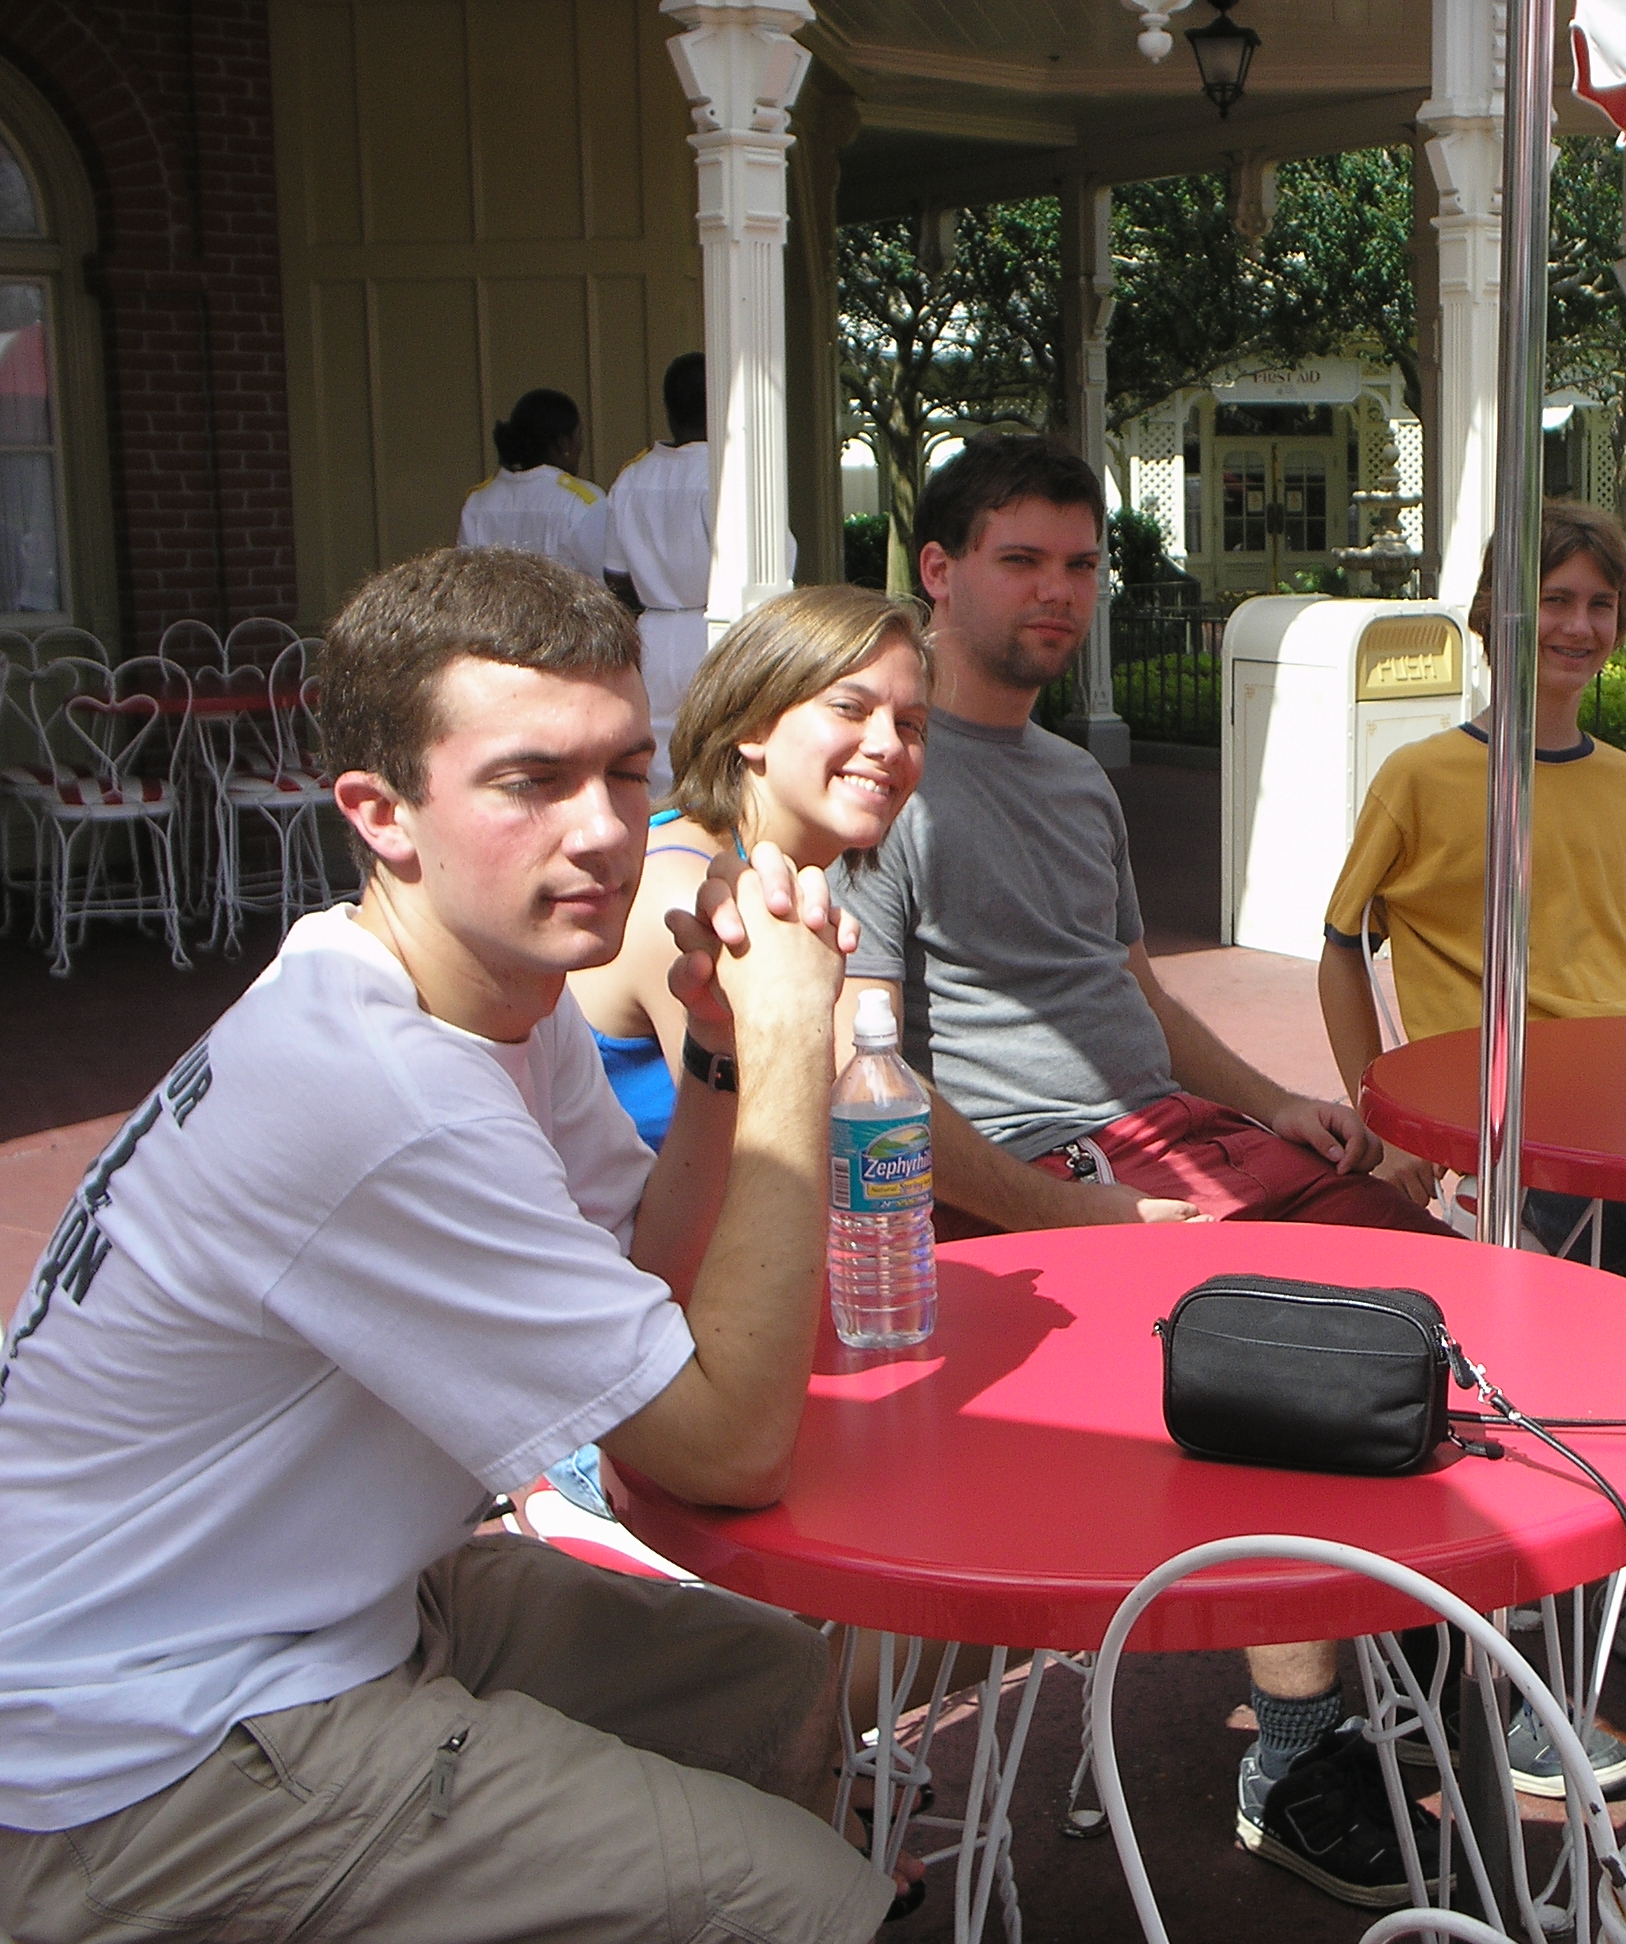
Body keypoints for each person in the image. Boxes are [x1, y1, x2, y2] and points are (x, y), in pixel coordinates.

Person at [0, 547, 914, 1940]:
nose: (602, 832)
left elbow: (642, 1283)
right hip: (144, 1746)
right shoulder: (384, 1094)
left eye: (623, 771)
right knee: (804, 1903)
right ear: (382, 814)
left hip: (335, 1603)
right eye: (529, 782)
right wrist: (800, 1047)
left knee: (776, 1681)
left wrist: (725, 1058)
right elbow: (728, 1447)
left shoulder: (482, 997)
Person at [835, 432, 1454, 1910]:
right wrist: (1085, 1215)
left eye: (1081, 562)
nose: (1060, 591)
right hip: (1045, 1180)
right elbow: (867, 1078)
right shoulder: (887, 780)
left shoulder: (1074, 776)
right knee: (1292, 1356)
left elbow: (1138, 995)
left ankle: (1433, 1670)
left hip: (1178, 1138)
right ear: (938, 571)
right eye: (1022, 561)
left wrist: (1280, 1103)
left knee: (1442, 1287)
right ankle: (1295, 1754)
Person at [1318, 497, 1626, 1679]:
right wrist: (1385, 1113)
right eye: (1553, 601)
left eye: (1600, 604)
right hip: (1505, 1111)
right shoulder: (1423, 778)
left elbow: (1619, 963)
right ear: (1498, 616)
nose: (1579, 626)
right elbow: (1341, 947)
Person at [572, 585, 930, 1148]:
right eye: (849, 708)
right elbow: (777, 1162)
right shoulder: (694, 898)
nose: (888, 745)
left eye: (911, 725)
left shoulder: (770, 877)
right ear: (752, 727)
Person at [605, 352, 713, 797]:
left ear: (668, 408)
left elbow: (615, 576)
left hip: (652, 630)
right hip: (715, 626)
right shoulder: (725, 472)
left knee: (655, 756)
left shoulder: (631, 477)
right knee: (712, 749)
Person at [457, 387, 609, 579]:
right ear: (563, 443)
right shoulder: (581, 502)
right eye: (578, 435)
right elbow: (608, 580)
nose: (581, 445)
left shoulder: (478, 502)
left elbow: (466, 578)